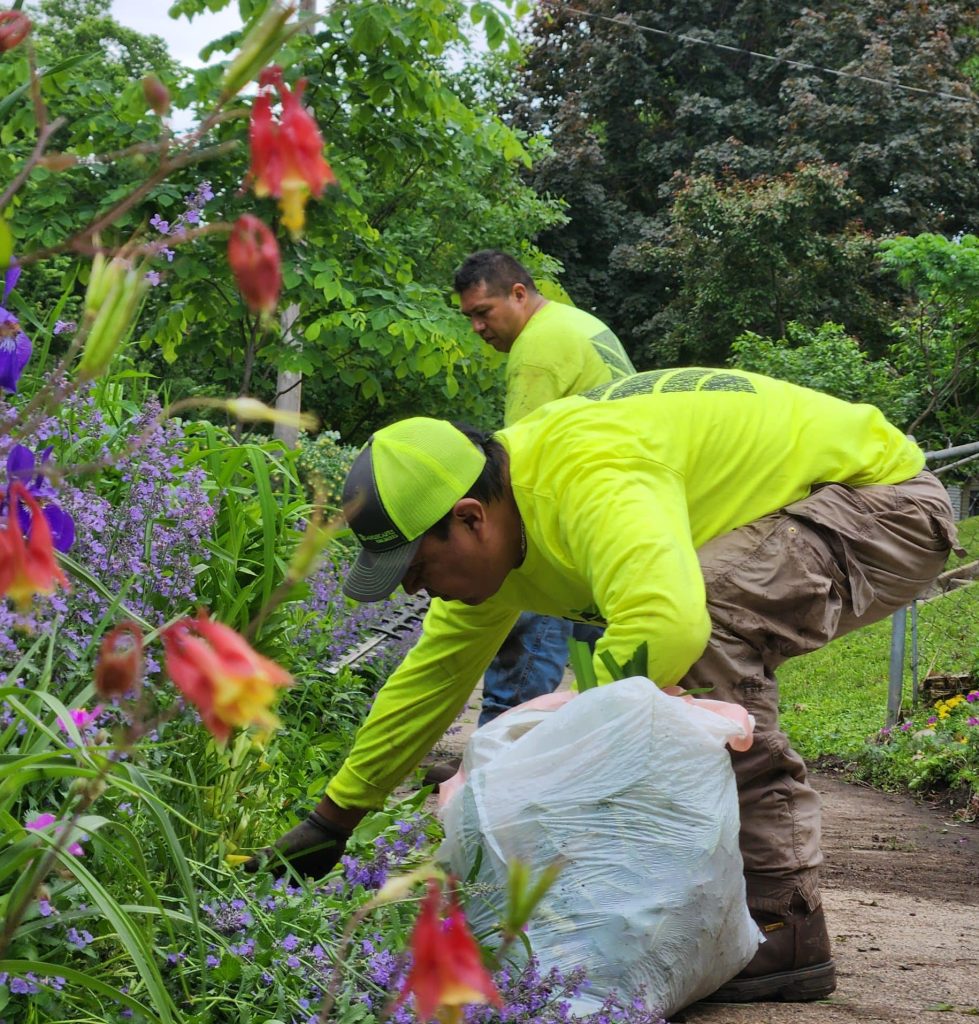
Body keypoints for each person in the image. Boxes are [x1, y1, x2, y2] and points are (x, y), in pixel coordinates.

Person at [248, 366, 960, 1003]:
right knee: (644, 685)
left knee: (700, 631)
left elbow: (667, 625)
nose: (418, 588)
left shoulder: (582, 470)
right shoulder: (497, 521)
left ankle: (781, 922)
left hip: (880, 501)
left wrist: (558, 745)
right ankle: (704, 909)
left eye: (417, 568)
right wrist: (331, 822)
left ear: (468, 519)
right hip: (799, 514)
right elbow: (431, 678)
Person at [453, 250, 635, 724]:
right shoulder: (579, 323)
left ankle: (502, 740)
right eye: (469, 317)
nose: (477, 327)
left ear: (518, 294)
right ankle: (600, 747)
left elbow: (517, 465)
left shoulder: (537, 347)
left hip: (574, 508)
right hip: (620, 501)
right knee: (611, 649)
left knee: (531, 609)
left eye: (483, 312)